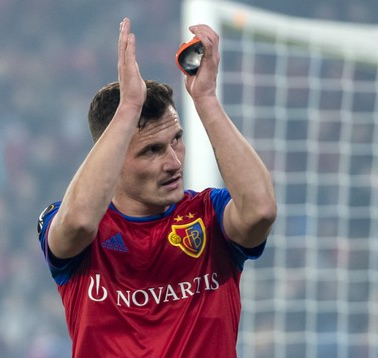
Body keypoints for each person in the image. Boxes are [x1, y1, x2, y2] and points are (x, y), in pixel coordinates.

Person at [37, 18, 276, 357]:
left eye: (176, 140)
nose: (174, 162)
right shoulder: (74, 225)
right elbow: (77, 223)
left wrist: (205, 98)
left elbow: (261, 211)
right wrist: (128, 109)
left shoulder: (209, 217)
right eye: (151, 150)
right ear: (114, 157)